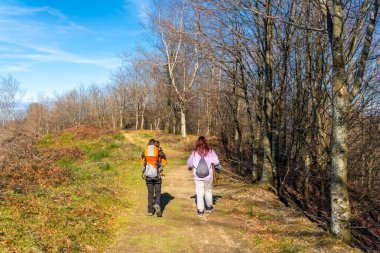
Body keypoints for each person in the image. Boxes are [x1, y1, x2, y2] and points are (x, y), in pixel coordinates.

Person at [187, 136, 221, 217]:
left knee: (199, 193)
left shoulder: (194, 152)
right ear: (206, 142)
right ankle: (209, 207)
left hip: (197, 176)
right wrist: (218, 167)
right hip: (208, 176)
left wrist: (189, 167)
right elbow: (216, 162)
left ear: (197, 143)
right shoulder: (210, 151)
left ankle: (200, 211)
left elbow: (189, 163)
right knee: (208, 191)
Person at [141, 139, 166, 217]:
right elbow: (164, 163)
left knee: (150, 193)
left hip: (148, 175)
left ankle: (150, 211)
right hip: (157, 175)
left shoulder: (145, 151)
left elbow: (142, 163)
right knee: (158, 192)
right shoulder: (159, 151)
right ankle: (157, 204)